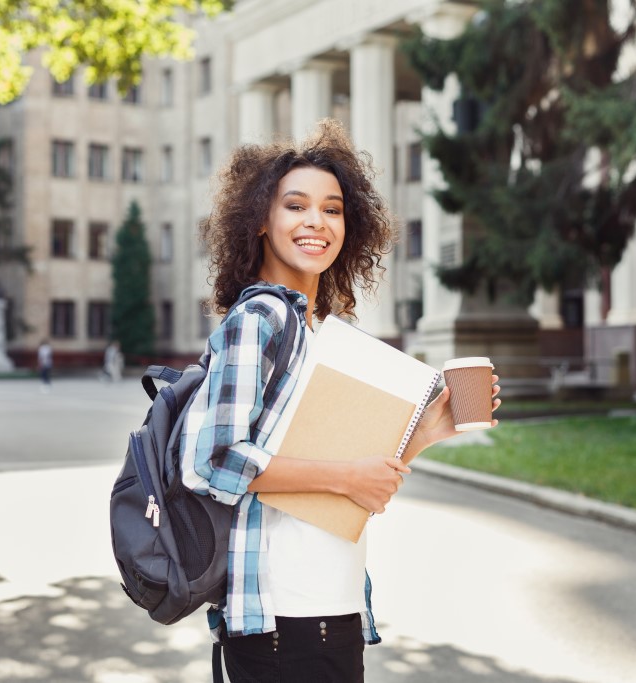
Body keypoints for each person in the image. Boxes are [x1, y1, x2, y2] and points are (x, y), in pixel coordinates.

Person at [180, 119, 502, 682]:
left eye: (332, 209)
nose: (316, 222)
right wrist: (346, 477)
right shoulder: (259, 320)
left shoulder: (316, 330)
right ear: (259, 219)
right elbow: (214, 459)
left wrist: (428, 429)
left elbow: (350, 472)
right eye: (296, 206)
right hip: (281, 617)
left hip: (332, 606)